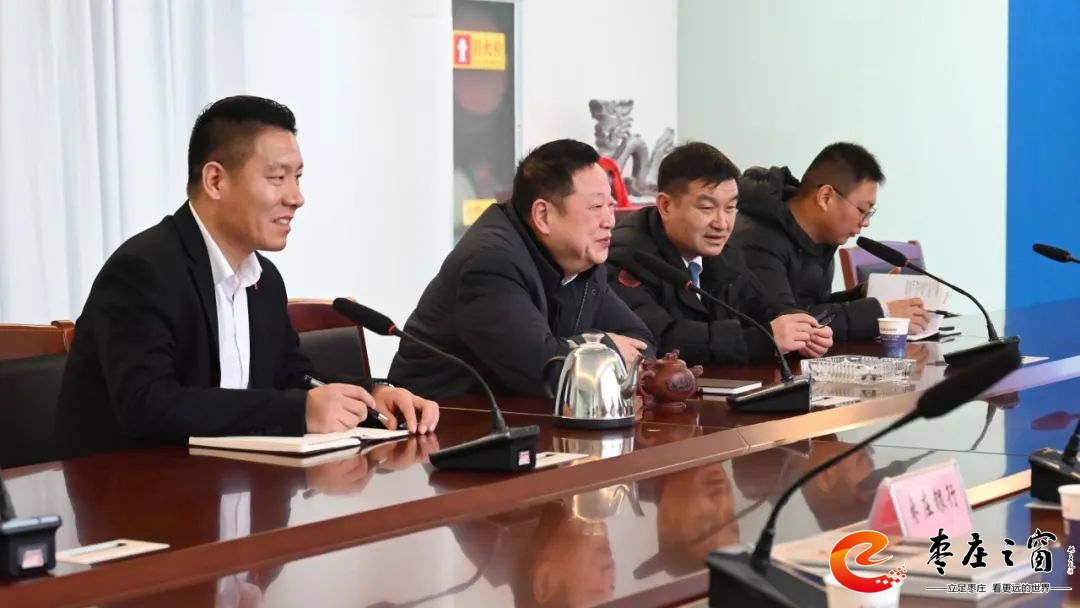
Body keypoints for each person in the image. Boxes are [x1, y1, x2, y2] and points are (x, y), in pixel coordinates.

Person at [55, 95, 438, 459]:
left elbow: (292, 377)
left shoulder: (263, 280)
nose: (296, 197)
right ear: (215, 181)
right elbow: (148, 404)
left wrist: (372, 396)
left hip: (228, 482)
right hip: (134, 489)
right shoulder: (144, 271)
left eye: (297, 177)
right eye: (277, 178)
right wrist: (300, 411)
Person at [389, 139, 655, 398]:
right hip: (444, 418)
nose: (610, 221)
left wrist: (582, 348)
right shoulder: (489, 263)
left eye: (610, 206)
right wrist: (604, 347)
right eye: (596, 207)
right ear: (543, 215)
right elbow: (544, 372)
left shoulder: (582, 262)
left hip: (520, 415)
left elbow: (642, 343)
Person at [607, 142, 833, 364]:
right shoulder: (626, 256)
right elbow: (658, 338)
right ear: (666, 206)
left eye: (730, 208)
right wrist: (763, 340)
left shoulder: (723, 248)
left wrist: (798, 327)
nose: (722, 224)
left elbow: (759, 303)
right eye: (707, 208)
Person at [729, 142, 929, 341]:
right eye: (862, 211)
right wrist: (881, 313)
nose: (866, 222)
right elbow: (788, 321)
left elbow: (814, 309)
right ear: (826, 197)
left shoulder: (818, 239)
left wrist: (862, 295)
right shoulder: (758, 239)